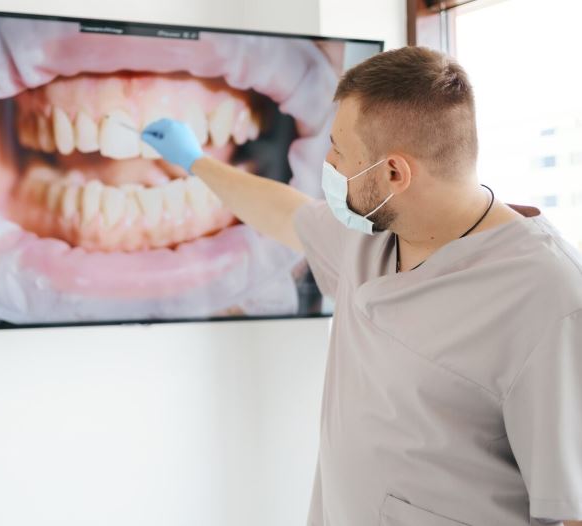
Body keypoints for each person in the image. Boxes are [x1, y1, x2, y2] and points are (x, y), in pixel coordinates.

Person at [141, 46, 582, 526]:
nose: (327, 163)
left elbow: (569, 509)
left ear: (394, 173)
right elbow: (285, 213)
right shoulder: (370, 236)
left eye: (339, 150)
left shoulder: (548, 297)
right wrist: (194, 161)